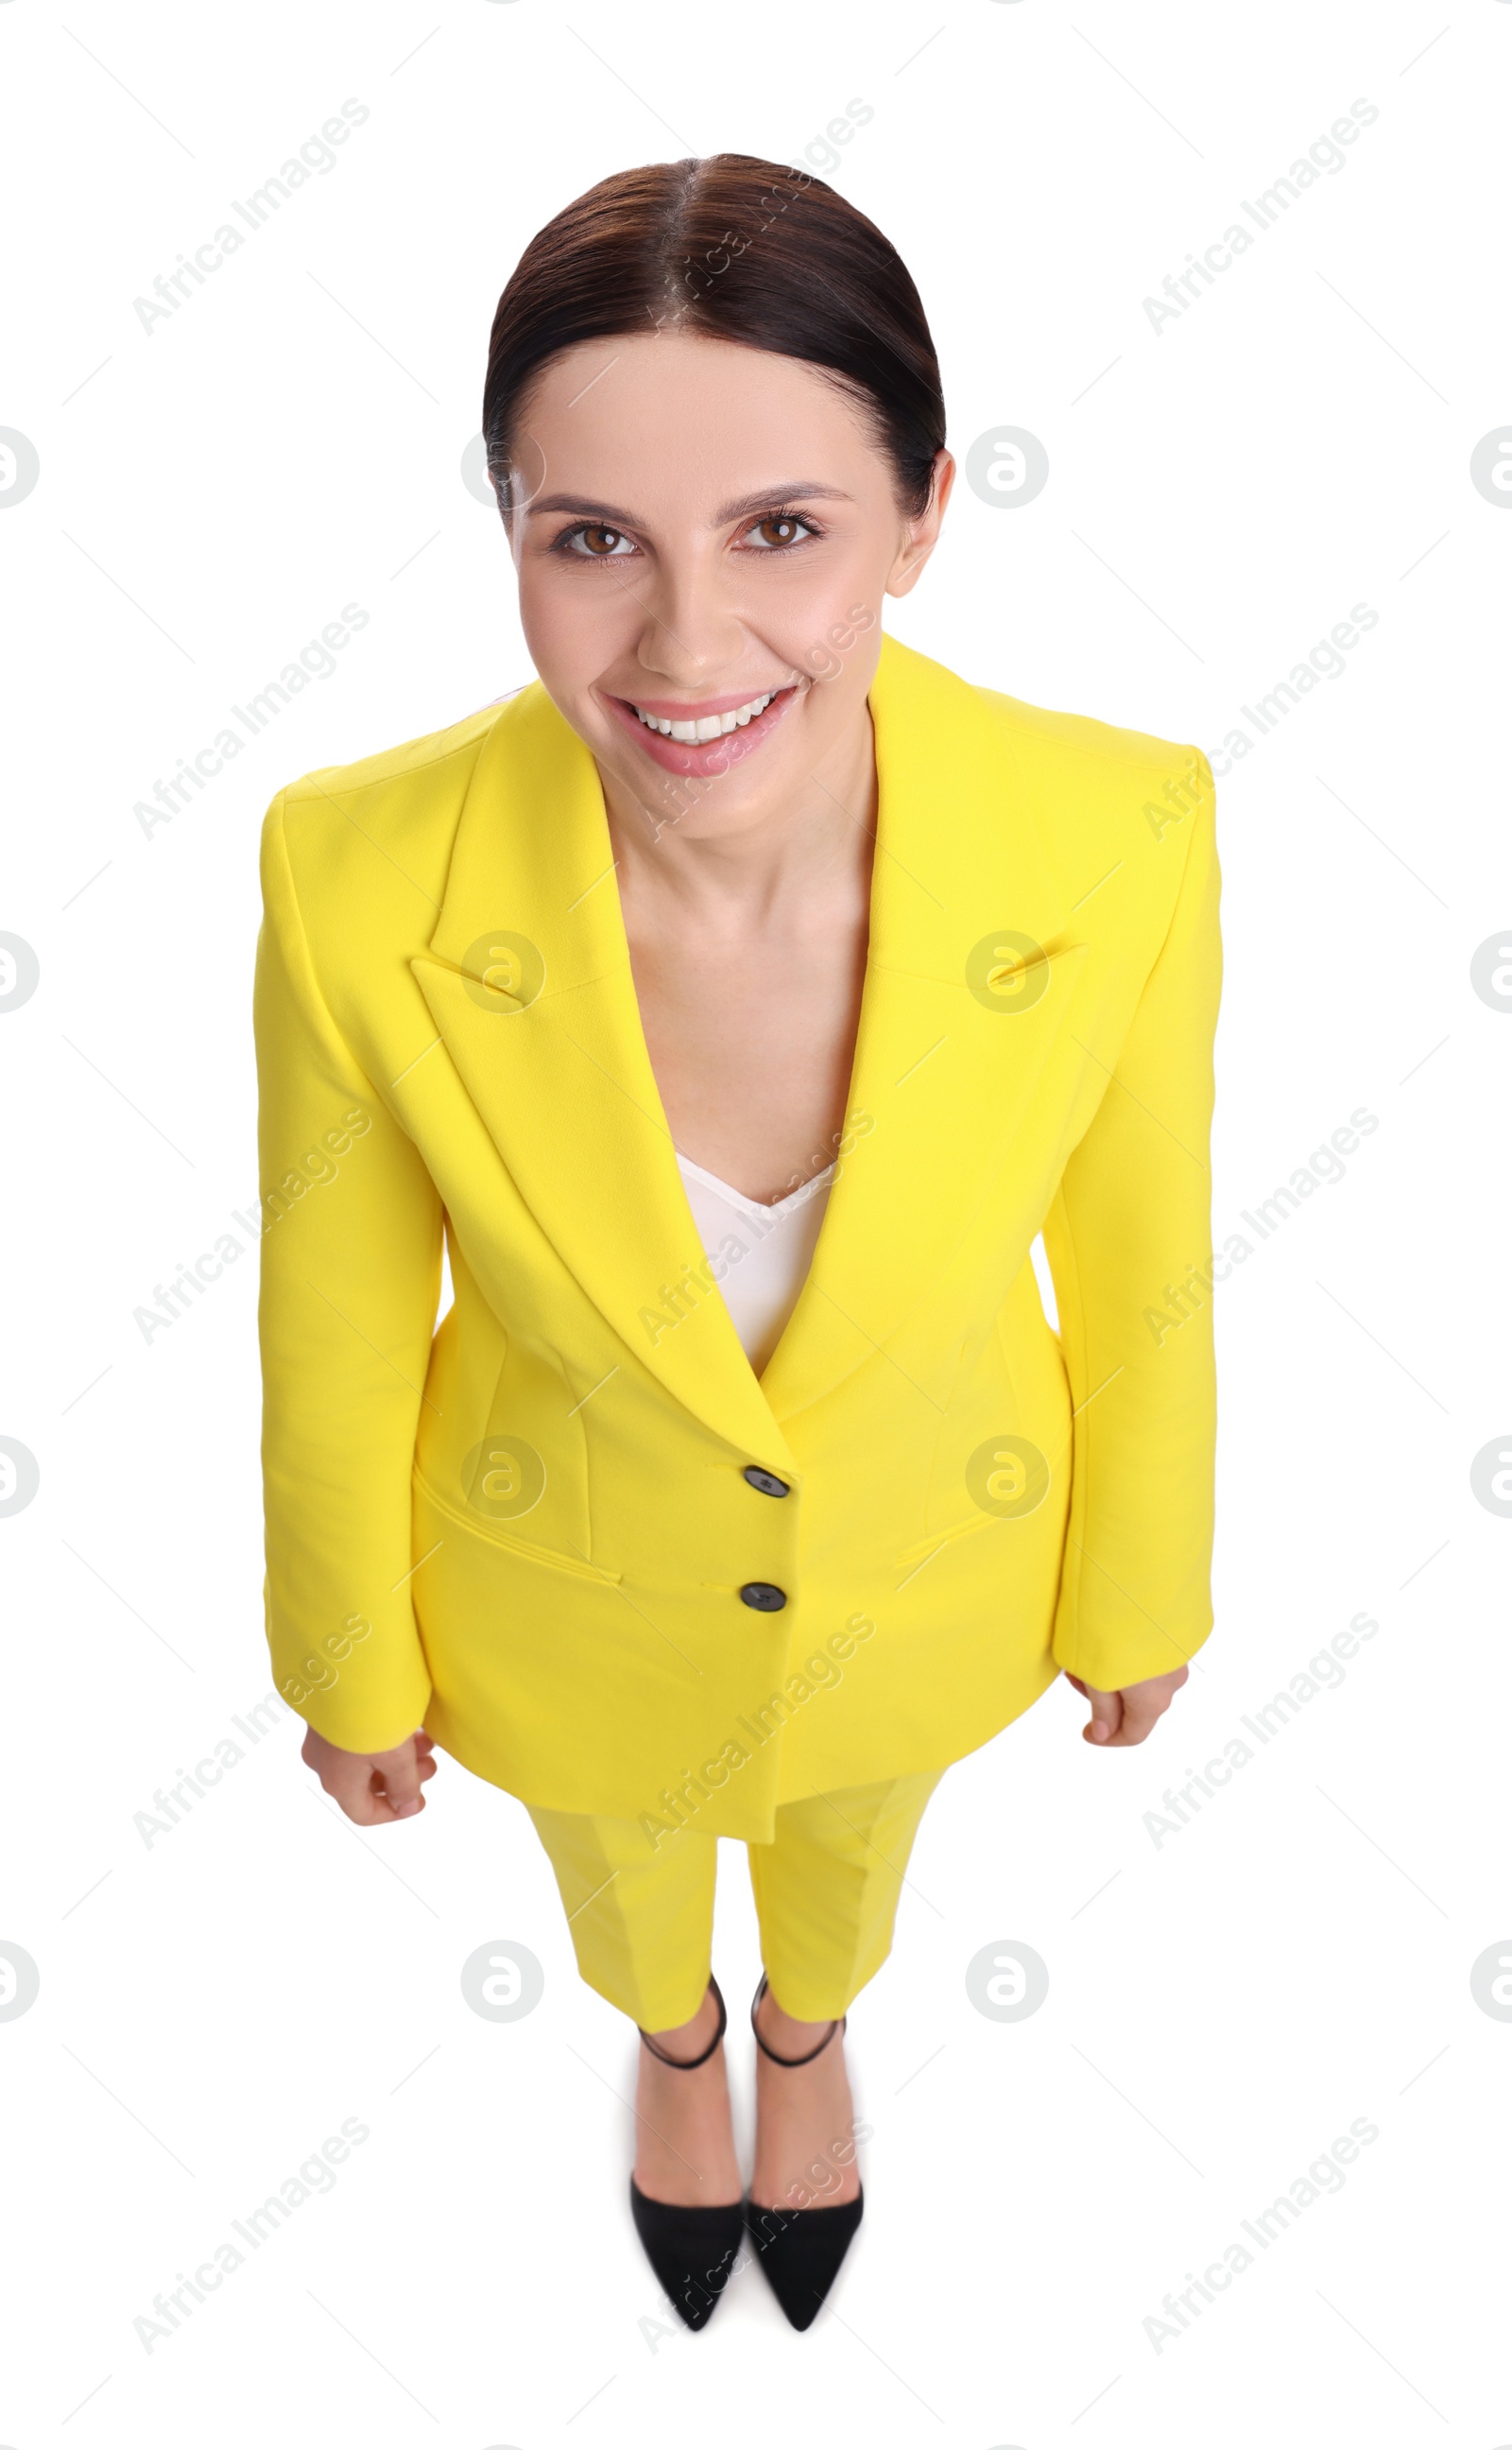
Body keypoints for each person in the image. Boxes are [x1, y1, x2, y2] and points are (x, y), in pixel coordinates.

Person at [254, 153, 1221, 2334]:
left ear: (918, 515)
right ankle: (673, 2036)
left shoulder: (1123, 829)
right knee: (611, 1864)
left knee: (856, 1840)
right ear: (508, 527)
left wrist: (1142, 1581)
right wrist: (345, 1659)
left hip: (933, 1568)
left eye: (777, 530)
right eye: (590, 540)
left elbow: (1145, 1252)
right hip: (549, 1589)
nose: (685, 649)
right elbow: (330, 1315)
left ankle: (805, 2030)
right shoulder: (349, 866)